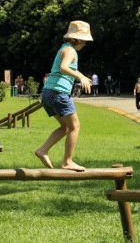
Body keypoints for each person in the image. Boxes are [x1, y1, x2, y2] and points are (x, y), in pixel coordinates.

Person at [36, 20, 93, 171]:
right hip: (58, 93)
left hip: (48, 93)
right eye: (84, 41)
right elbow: (64, 68)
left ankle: (42, 151)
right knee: (75, 126)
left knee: (65, 127)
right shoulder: (71, 50)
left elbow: (67, 68)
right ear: (77, 39)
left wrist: (82, 76)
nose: (85, 44)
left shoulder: (64, 48)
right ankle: (67, 162)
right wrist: (80, 78)